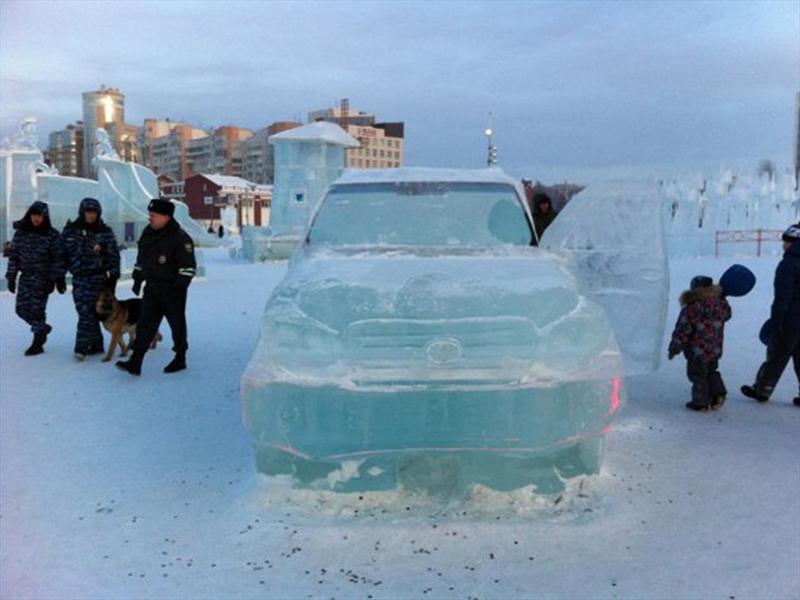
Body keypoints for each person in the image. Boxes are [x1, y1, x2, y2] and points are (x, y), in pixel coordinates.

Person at [116, 198, 196, 376]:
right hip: (152, 288)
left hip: (172, 290)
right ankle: (136, 362)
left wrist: (178, 289)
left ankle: (180, 357)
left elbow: (188, 268)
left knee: (177, 325)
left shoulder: (180, 239)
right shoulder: (149, 232)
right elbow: (142, 256)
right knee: (145, 324)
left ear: (166, 217)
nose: (149, 218)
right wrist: (138, 276)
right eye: (149, 214)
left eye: (153, 215)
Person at [741, 224, 800, 406]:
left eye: (787, 242)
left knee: (776, 356)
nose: (784, 245)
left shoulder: (789, 264)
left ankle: (762, 389)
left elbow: (783, 296)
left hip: (790, 321)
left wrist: (776, 321)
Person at [62, 197, 121, 360]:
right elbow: (61, 255)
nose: (91, 215)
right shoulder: (70, 231)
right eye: (88, 212)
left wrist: (114, 276)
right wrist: (59, 276)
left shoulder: (105, 232)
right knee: (85, 311)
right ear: (82, 212)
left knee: (87, 313)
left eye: (94, 212)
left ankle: (80, 348)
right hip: (79, 279)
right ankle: (97, 344)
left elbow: (113, 255)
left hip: (98, 280)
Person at [4, 201, 66, 355]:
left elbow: (58, 258)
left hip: (43, 278)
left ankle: (38, 341)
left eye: (40, 216)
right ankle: (42, 328)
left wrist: (56, 278)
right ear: (29, 215)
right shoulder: (21, 232)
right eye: (34, 215)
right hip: (25, 277)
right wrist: (11, 276)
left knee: (37, 310)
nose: (36, 219)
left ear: (45, 217)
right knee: (21, 310)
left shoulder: (52, 235)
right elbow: (14, 256)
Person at [668, 275, 732, 411]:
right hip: (715, 348)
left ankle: (700, 401)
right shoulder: (721, 304)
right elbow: (728, 315)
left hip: (697, 350)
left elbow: (682, 330)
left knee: (697, 374)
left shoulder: (692, 307)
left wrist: (675, 347)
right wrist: (722, 298)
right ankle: (718, 394)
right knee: (711, 370)